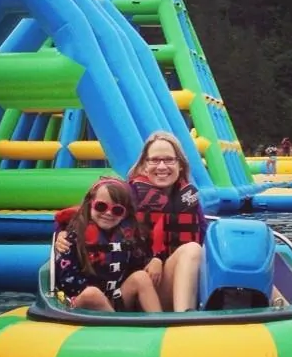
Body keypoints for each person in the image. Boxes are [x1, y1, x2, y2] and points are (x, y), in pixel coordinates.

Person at [55, 131, 207, 312]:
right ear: (143, 165)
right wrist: (61, 232)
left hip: (168, 284)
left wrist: (158, 259)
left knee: (193, 249)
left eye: (169, 160)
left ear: (180, 165)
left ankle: (183, 317)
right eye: (154, 160)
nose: (161, 166)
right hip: (134, 286)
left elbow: (205, 237)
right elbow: (85, 214)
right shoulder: (126, 195)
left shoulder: (189, 201)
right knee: (142, 277)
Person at [54, 177, 162, 313]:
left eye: (117, 210)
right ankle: (118, 330)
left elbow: (140, 262)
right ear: (90, 204)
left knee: (141, 277)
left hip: (114, 298)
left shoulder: (130, 236)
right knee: (93, 294)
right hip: (80, 301)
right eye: (101, 206)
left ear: (125, 214)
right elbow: (65, 280)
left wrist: (156, 260)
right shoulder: (72, 236)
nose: (108, 213)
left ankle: (160, 323)